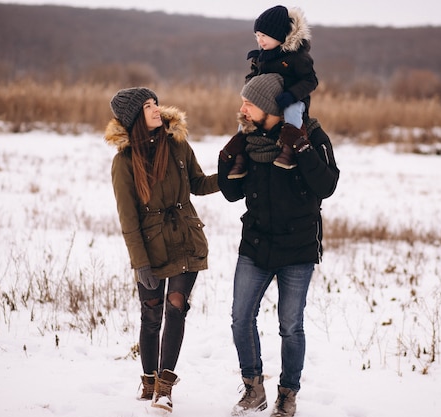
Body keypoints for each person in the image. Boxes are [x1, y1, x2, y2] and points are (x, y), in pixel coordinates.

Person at [218, 73, 340, 417]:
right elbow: (232, 194)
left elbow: (327, 185)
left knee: (290, 325)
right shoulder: (249, 139)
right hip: (256, 244)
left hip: (297, 247)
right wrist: (226, 158)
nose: (242, 107)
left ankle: (288, 394)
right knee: (241, 318)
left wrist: (300, 147)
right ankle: (253, 389)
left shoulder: (310, 135)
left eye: (249, 102)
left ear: (270, 108)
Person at [104, 87, 219, 413]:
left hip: (185, 239)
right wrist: (140, 264)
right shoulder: (124, 162)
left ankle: (165, 388)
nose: (157, 109)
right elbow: (129, 220)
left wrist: (230, 175)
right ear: (134, 117)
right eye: (148, 106)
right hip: (151, 250)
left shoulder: (178, 145)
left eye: (155, 103)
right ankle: (148, 381)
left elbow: (197, 184)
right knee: (151, 314)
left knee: (176, 307)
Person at [228, 4, 318, 179]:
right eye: (257, 36)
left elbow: (310, 80)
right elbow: (252, 76)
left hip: (292, 99)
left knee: (292, 112)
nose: (260, 41)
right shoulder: (262, 57)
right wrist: (252, 89)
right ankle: (240, 155)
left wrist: (292, 95)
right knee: (244, 118)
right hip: (265, 101)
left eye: (264, 36)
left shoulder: (297, 57)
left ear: (279, 35)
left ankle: (289, 149)